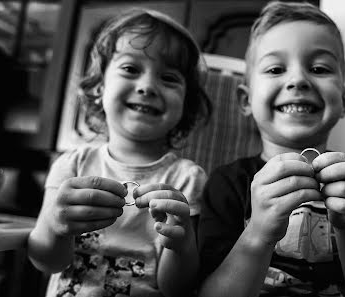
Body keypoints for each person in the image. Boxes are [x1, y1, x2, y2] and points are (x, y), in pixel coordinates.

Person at [197, 2, 345, 297]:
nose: (298, 80)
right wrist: (257, 234)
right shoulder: (226, 183)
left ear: (344, 100)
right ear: (245, 100)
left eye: (319, 68)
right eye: (275, 69)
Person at [27, 8, 211, 297]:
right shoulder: (72, 165)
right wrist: (55, 224)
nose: (147, 87)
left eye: (169, 78)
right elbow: (47, 262)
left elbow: (177, 288)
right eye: (130, 69)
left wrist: (182, 244)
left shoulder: (188, 178)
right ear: (100, 87)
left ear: (185, 104)